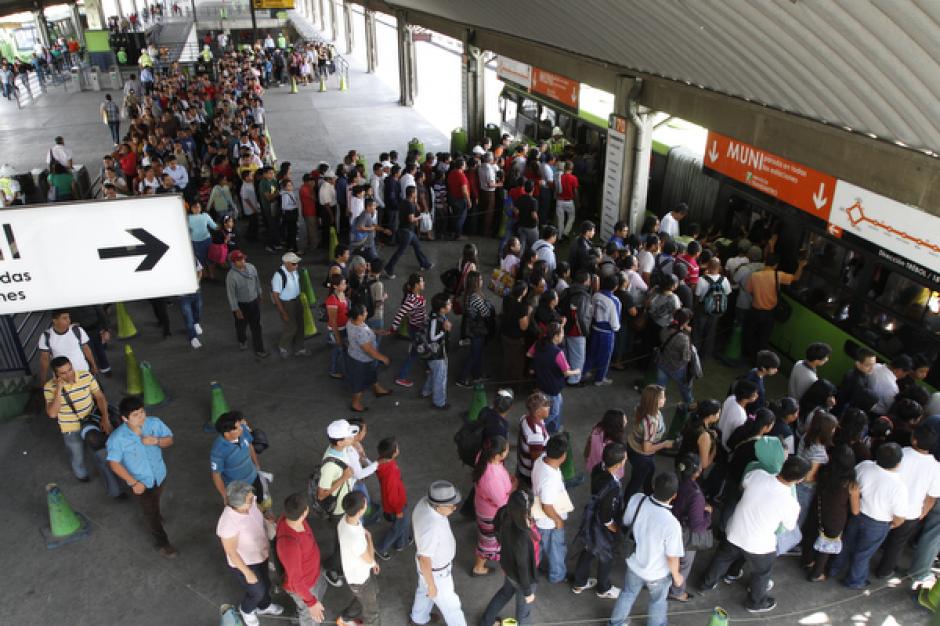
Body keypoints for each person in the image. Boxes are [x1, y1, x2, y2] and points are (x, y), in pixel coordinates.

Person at [699, 456, 809, 613]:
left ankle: (706, 583)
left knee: (722, 557)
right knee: (762, 572)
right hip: (759, 545)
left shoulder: (758, 474)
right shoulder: (791, 503)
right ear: (800, 480)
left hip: (735, 531)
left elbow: (744, 485)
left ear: (783, 465)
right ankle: (755, 602)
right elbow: (789, 525)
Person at [606, 472, 685, 626]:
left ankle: (615, 623)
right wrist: (677, 577)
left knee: (628, 593)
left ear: (654, 486)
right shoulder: (672, 524)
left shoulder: (637, 499)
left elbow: (626, 522)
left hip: (634, 563)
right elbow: (672, 557)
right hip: (658, 573)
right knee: (657, 601)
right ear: (674, 495)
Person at [829, 443, 908, 588]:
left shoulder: (865, 466)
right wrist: (890, 525)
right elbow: (899, 518)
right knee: (863, 554)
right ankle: (854, 581)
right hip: (878, 524)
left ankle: (833, 569)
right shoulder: (899, 486)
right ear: (899, 462)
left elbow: (853, 484)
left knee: (845, 544)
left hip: (857, 514)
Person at [106, 396, 177, 557]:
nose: (141, 417)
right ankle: (163, 543)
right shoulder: (117, 439)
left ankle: (157, 514)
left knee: (156, 499)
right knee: (150, 514)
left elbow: (169, 440)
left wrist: (157, 441)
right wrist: (133, 483)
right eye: (135, 415)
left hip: (159, 475)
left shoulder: (154, 423)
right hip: (140, 484)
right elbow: (114, 464)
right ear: (125, 418)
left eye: (142, 412)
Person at [874, 425, 940, 579]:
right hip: (911, 512)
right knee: (898, 543)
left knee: (879, 534)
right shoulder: (936, 467)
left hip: (887, 506)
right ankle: (885, 570)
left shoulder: (901, 453)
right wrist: (924, 512)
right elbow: (932, 496)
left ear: (913, 439)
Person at [216, 481, 283, 626]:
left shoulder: (250, 503)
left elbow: (258, 508)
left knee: (265, 582)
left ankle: (264, 606)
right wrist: (247, 573)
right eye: (250, 499)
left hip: (260, 554)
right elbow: (231, 551)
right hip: (245, 563)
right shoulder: (227, 523)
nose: (253, 499)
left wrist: (265, 517)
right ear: (238, 504)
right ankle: (247, 610)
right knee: (257, 591)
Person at [572, 442, 627, 599]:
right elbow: (606, 517)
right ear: (618, 464)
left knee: (588, 549)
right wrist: (616, 529)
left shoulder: (598, 468)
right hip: (601, 527)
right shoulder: (613, 487)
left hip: (590, 519)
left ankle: (579, 582)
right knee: (606, 556)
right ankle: (603, 588)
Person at [477, 490, 540, 626]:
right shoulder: (522, 536)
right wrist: (528, 592)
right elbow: (523, 567)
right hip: (524, 579)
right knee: (524, 611)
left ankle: (486, 622)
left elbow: (496, 529)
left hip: (508, 567)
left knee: (504, 593)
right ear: (526, 509)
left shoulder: (504, 512)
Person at [44, 355, 110, 482]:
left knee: (101, 450)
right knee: (77, 455)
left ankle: (108, 474)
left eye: (70, 369)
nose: (69, 375)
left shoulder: (85, 376)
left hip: (91, 421)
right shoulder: (49, 387)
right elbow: (52, 414)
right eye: (63, 373)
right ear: (55, 375)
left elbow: (100, 397)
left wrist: (105, 418)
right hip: (70, 427)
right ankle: (81, 473)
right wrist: (58, 390)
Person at [410, 480, 467, 626]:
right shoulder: (431, 526)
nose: (454, 508)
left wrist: (428, 585)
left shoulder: (424, 502)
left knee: (423, 591)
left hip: (428, 570)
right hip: (436, 572)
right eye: (451, 506)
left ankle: (418, 618)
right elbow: (425, 559)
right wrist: (432, 585)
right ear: (438, 506)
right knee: (452, 608)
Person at [801, 444, 859, 582]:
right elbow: (855, 511)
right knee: (826, 547)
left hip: (817, 510)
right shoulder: (851, 484)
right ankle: (816, 574)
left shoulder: (823, 471)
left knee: (810, 536)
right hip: (835, 519)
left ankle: (807, 562)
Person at [276, 492, 330, 626]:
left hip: (314, 573)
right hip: (305, 585)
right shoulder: (289, 546)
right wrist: (311, 603)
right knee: (310, 618)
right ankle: (303, 614)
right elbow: (296, 581)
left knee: (320, 591)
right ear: (305, 512)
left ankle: (301, 610)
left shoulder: (288, 517)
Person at [743, 253, 808, 357]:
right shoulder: (778, 275)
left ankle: (747, 354)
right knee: (763, 338)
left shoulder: (754, 275)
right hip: (769, 313)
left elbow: (749, 290)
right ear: (776, 265)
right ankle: (758, 359)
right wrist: (800, 266)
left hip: (755, 310)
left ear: (765, 262)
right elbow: (795, 278)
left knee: (749, 333)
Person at [669, 453, 711, 602]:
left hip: (666, 524)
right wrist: (707, 514)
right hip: (682, 533)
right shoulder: (695, 495)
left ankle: (654, 581)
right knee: (684, 563)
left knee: (664, 557)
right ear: (698, 471)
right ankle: (677, 591)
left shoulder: (672, 480)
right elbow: (698, 527)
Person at [532, 434, 572, 584]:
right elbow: (547, 506)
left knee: (541, 546)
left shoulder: (540, 459)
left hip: (539, 518)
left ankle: (537, 567)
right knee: (556, 550)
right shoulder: (550, 480)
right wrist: (558, 521)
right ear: (563, 456)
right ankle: (557, 576)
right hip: (549, 521)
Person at [472, 435, 513, 576]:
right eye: (506, 450)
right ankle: (478, 568)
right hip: (491, 514)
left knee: (487, 536)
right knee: (487, 542)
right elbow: (502, 502)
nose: (508, 451)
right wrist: (513, 488)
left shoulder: (483, 456)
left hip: (484, 507)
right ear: (497, 455)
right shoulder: (491, 478)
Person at [338, 491, 381, 626]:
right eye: (365, 502)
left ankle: (345, 619)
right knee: (372, 613)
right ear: (361, 510)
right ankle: (345, 619)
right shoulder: (355, 538)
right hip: (360, 579)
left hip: (358, 574)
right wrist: (369, 538)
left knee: (370, 594)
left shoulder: (344, 519)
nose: (366, 503)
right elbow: (368, 559)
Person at [625, 385, 674, 498]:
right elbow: (646, 448)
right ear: (654, 401)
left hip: (632, 445)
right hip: (641, 455)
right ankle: (626, 504)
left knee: (650, 470)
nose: (665, 399)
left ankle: (648, 490)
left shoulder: (641, 407)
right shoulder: (651, 422)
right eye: (662, 397)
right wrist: (664, 444)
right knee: (636, 482)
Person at [531, 322, 580, 434]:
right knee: (554, 412)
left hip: (541, 383)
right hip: (552, 387)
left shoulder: (538, 344)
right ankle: (538, 427)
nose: (563, 336)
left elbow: (529, 354)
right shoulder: (558, 353)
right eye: (562, 333)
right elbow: (566, 372)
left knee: (554, 404)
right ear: (555, 336)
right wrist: (577, 371)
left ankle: (554, 428)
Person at [345, 302, 392, 412]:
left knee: (372, 374)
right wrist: (384, 358)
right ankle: (355, 404)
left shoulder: (352, 321)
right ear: (360, 316)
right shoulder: (360, 333)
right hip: (360, 362)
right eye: (365, 312)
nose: (367, 313)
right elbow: (370, 351)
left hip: (358, 357)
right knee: (359, 384)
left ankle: (378, 389)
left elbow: (365, 329)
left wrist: (375, 331)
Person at [210, 411, 262, 503]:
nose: (241, 429)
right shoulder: (218, 451)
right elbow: (216, 475)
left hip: (253, 476)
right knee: (244, 509)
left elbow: (250, 446)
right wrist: (225, 495)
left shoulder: (244, 432)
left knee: (260, 500)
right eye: (237, 428)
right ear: (227, 434)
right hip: (237, 488)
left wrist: (257, 464)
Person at [225, 250, 268, 358]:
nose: (242, 261)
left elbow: (257, 281)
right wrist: (236, 309)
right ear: (234, 262)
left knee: (256, 326)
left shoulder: (251, 268)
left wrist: (260, 294)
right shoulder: (231, 276)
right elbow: (231, 295)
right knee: (241, 325)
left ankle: (260, 349)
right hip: (241, 305)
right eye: (239, 260)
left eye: (243, 259)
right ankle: (242, 340)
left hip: (253, 302)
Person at [385, 185, 433, 278]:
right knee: (400, 252)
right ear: (412, 194)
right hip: (407, 232)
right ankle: (389, 268)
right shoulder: (409, 205)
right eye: (415, 192)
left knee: (417, 246)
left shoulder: (404, 202)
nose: (416, 194)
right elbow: (411, 219)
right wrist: (420, 217)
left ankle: (425, 264)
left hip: (407, 231)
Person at [375, 437, 412, 559]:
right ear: (394, 453)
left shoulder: (383, 463)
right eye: (397, 447)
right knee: (397, 528)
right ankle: (381, 548)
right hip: (397, 507)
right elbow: (392, 497)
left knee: (403, 524)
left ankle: (402, 542)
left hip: (392, 505)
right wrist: (399, 510)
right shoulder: (390, 471)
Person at [388, 274, 427, 388]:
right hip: (416, 328)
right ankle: (401, 377)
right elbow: (400, 314)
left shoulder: (416, 296)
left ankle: (427, 365)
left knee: (420, 347)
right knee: (414, 354)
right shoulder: (411, 300)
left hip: (417, 326)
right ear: (416, 285)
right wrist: (393, 328)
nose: (424, 283)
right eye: (421, 281)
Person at [38, 309, 98, 383]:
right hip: (63, 378)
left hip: (83, 372)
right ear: (55, 320)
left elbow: (86, 349)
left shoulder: (77, 330)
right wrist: (43, 380)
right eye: (64, 318)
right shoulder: (46, 336)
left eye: (68, 317)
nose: (69, 320)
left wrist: (93, 365)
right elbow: (44, 360)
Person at [584, 273, 622, 386]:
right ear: (616, 287)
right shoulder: (615, 301)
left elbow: (590, 311)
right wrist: (616, 328)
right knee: (605, 357)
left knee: (591, 352)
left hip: (595, 328)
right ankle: (599, 379)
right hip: (607, 333)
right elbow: (615, 323)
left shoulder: (596, 295)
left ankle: (584, 372)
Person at [655, 307, 695, 405]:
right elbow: (686, 358)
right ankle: (689, 404)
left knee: (659, 390)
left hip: (662, 363)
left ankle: (655, 405)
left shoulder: (665, 329)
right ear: (686, 322)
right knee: (685, 389)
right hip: (677, 368)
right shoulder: (684, 338)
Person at [271, 252, 306, 358]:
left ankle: (299, 348)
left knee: (300, 325)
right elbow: (275, 296)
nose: (297, 265)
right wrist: (283, 312)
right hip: (287, 304)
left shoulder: (294, 271)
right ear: (286, 263)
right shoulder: (278, 276)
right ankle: (283, 346)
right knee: (291, 327)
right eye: (294, 263)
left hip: (296, 300)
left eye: (297, 263)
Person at [561, 270, 593, 385]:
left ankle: (567, 375)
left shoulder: (567, 290)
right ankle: (574, 380)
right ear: (585, 281)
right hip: (576, 331)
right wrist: (585, 332)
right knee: (578, 357)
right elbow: (581, 317)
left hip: (565, 328)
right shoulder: (583, 296)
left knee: (568, 354)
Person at [423, 293, 452, 410]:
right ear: (442, 308)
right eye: (449, 304)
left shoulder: (436, 314)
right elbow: (432, 337)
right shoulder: (436, 319)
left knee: (433, 374)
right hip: (437, 355)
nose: (451, 305)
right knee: (440, 378)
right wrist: (444, 331)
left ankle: (426, 391)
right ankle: (439, 402)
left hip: (434, 355)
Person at [517, 392, 551, 484]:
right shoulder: (535, 435)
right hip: (529, 473)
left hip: (522, 465)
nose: (549, 407)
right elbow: (536, 460)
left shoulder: (525, 418)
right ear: (538, 412)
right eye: (546, 405)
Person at [584, 409, 627, 478]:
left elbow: (588, 444)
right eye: (624, 421)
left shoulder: (596, 430)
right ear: (617, 426)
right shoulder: (615, 446)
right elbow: (617, 464)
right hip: (607, 474)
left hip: (594, 465)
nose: (626, 421)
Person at [325, 274, 350, 379]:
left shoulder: (342, 293)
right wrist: (338, 338)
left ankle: (343, 367)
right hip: (336, 330)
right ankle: (333, 370)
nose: (345, 285)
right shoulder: (332, 301)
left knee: (342, 349)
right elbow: (333, 321)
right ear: (335, 286)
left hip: (344, 327)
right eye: (343, 284)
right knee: (337, 350)